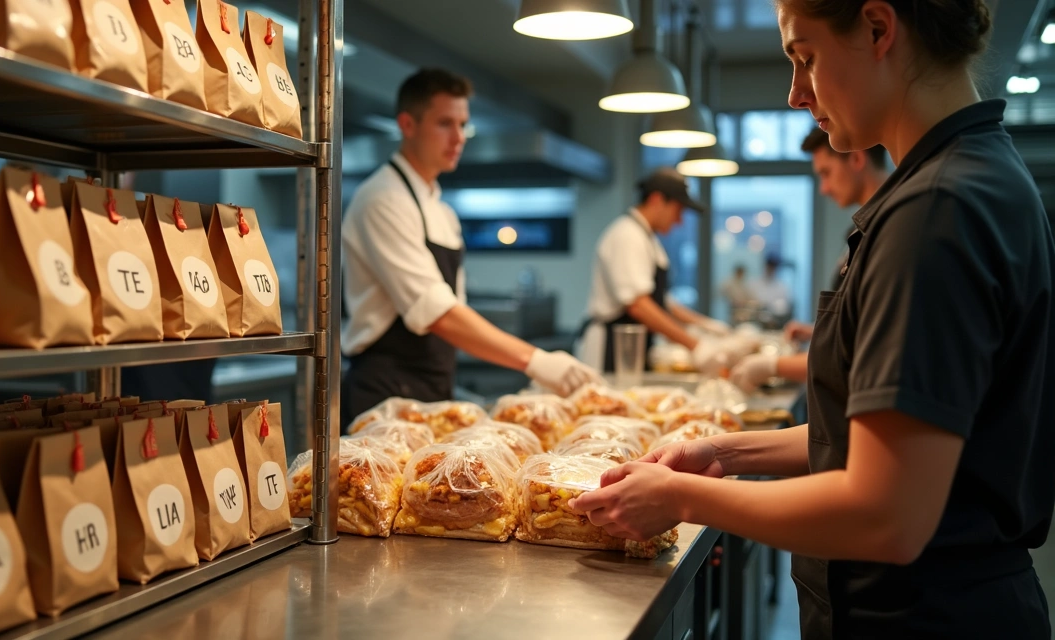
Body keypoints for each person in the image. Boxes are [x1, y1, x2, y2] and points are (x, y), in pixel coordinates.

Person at [573, 2, 1055, 638]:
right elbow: (875, 445)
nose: (796, 94)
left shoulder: (937, 211)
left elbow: (885, 513)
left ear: (880, 28)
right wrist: (718, 451)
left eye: (806, 59)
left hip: (924, 617)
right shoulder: (963, 180)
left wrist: (684, 499)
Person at [340, 69, 601, 425]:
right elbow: (438, 312)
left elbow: (455, 308)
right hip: (384, 396)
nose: (459, 137)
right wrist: (535, 360)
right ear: (407, 124)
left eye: (463, 125)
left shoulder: (442, 211)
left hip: (432, 388)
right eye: (445, 123)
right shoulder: (383, 199)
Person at [730, 128, 890, 391]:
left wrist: (772, 366)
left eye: (826, 173)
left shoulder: (887, 231)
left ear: (857, 159)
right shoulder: (859, 231)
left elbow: (864, 350)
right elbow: (860, 322)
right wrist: (819, 330)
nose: (824, 189)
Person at [576, 169, 741, 374]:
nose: (679, 221)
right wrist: (694, 345)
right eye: (678, 211)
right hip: (610, 349)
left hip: (632, 347)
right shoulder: (627, 236)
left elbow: (661, 301)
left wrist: (705, 325)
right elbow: (639, 305)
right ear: (656, 199)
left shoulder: (647, 239)